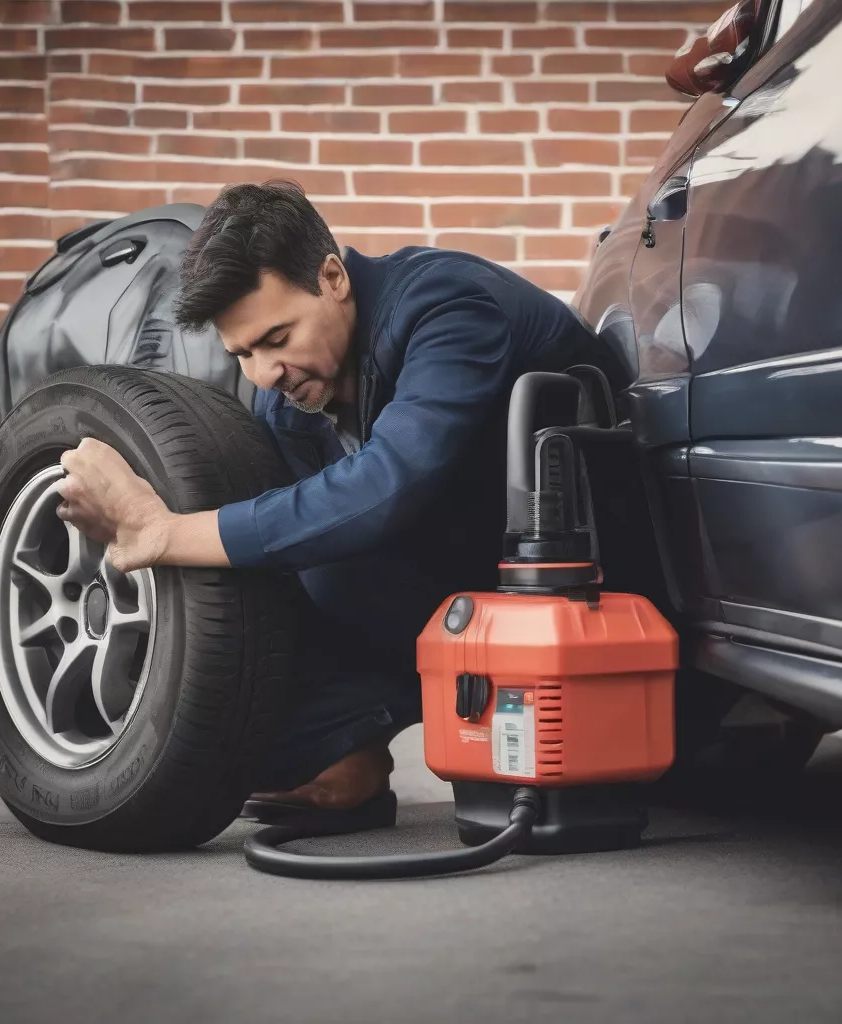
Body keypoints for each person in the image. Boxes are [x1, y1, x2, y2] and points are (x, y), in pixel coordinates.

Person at [56, 180, 612, 818]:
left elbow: (389, 486)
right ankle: (348, 758)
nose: (263, 373)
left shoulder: (445, 305)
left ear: (332, 277)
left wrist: (165, 534)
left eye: (276, 338)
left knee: (303, 553)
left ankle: (352, 743)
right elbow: (288, 538)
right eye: (241, 353)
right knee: (223, 750)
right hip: (450, 591)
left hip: (593, 591)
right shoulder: (284, 396)